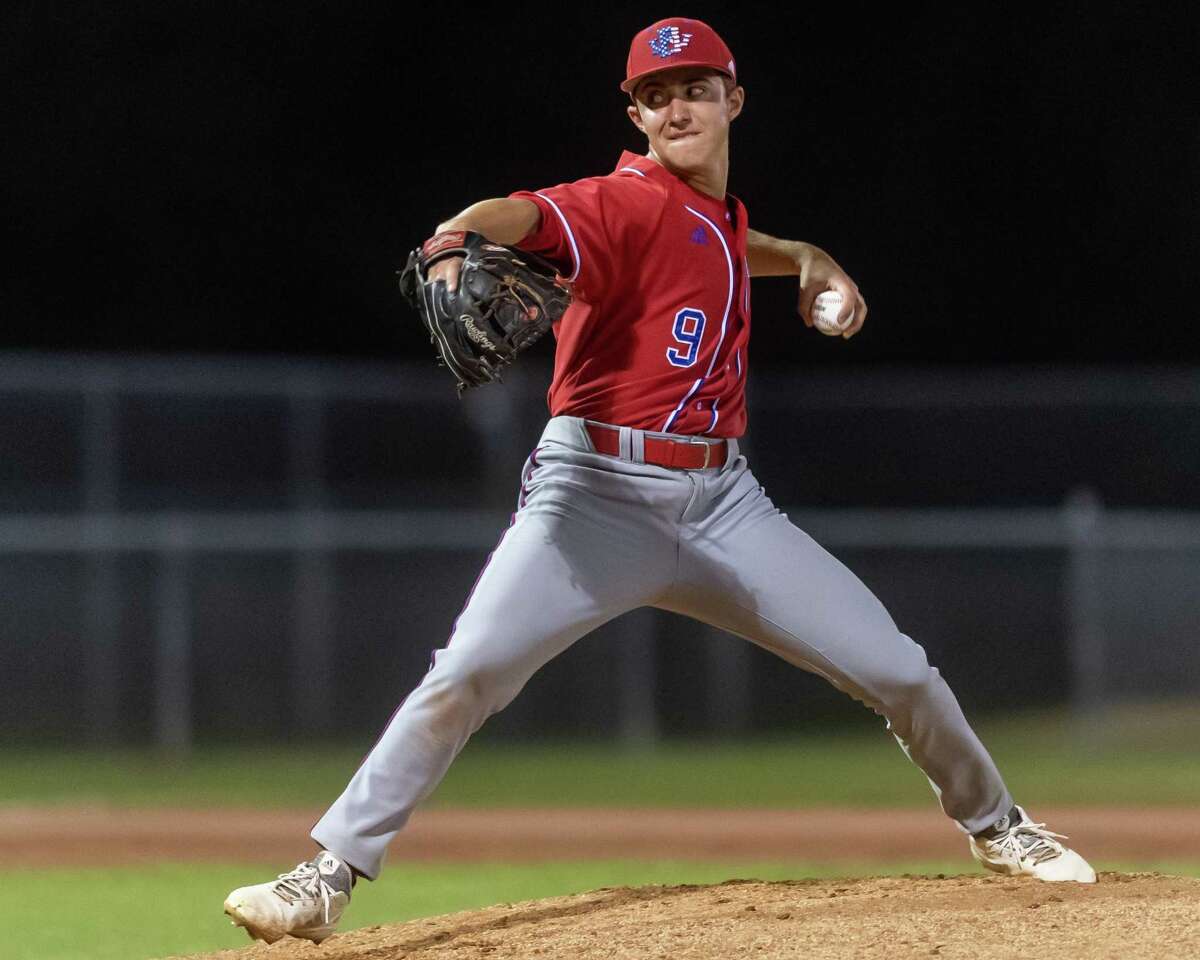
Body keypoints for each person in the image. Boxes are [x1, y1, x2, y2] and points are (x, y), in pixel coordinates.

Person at [223, 15, 1096, 946]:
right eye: (655, 95)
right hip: (592, 496)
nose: (676, 107)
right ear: (635, 113)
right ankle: (331, 871)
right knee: (467, 671)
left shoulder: (716, 218)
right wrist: (453, 236)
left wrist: (805, 257)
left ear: (734, 100)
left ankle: (1001, 827)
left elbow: (729, 242)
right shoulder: (625, 201)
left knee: (900, 671)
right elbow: (524, 213)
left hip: (725, 505)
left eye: (694, 88)